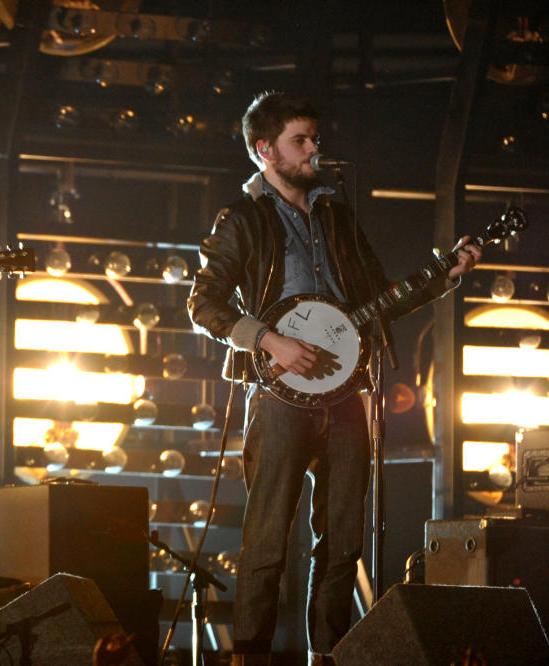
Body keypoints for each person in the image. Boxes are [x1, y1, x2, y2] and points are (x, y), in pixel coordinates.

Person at [187, 92, 481, 665]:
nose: (314, 149)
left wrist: (445, 275)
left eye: (315, 138)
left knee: (343, 542)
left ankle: (330, 655)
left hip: (349, 396)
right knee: (268, 540)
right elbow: (203, 303)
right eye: (301, 140)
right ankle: (251, 656)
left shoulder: (337, 216)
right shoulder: (242, 219)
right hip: (277, 399)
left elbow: (377, 300)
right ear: (264, 150)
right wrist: (271, 340)